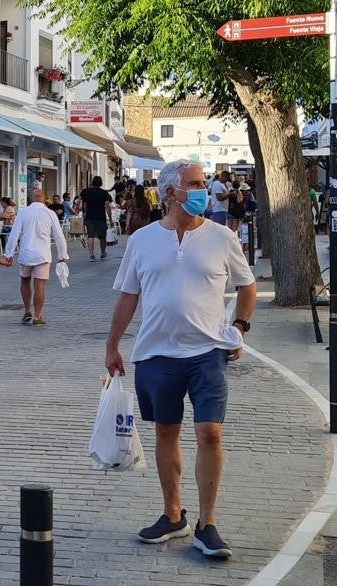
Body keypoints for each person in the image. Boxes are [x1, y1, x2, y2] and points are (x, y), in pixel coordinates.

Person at [105, 159, 256, 560]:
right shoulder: (141, 240)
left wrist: (238, 327)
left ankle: (208, 524)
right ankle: (173, 515)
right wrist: (112, 346)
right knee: (166, 432)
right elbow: (127, 296)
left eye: (203, 182)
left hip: (207, 352)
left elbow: (247, 286)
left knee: (210, 432)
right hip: (155, 353)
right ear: (170, 192)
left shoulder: (222, 237)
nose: (203, 190)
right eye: (194, 183)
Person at [3, 188, 70, 326]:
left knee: (25, 281)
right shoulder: (50, 214)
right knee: (40, 286)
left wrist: (9, 253)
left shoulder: (23, 213)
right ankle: (37, 316)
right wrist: (62, 255)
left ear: (31, 198)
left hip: (26, 254)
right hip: (43, 255)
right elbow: (59, 236)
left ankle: (27, 310)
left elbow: (14, 233)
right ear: (44, 198)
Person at [76, 177, 114, 262]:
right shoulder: (104, 193)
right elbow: (107, 207)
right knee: (102, 237)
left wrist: (84, 213)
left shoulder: (86, 191)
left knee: (90, 236)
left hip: (90, 217)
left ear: (92, 182)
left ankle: (91, 255)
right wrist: (110, 219)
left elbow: (83, 205)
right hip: (101, 217)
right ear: (101, 183)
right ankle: (102, 253)